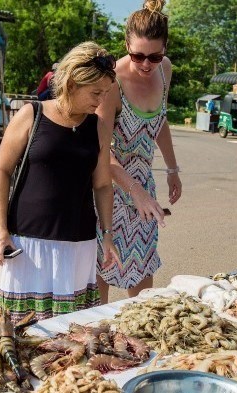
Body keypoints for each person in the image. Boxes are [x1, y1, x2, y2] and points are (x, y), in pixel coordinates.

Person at [0, 42, 120, 323]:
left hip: (77, 247)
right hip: (27, 245)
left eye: (106, 93)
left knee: (72, 335)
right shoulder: (31, 115)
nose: (101, 100)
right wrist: (0, 230)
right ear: (72, 83)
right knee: (20, 334)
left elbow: (102, 185)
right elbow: (1, 171)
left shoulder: (98, 127)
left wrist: (107, 235)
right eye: (95, 92)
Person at [95, 0, 182, 304]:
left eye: (155, 56)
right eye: (138, 56)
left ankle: (141, 341)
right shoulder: (110, 83)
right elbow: (102, 151)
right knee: (102, 271)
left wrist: (172, 169)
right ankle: (98, 339)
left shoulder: (165, 70)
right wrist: (134, 191)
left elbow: (160, 122)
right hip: (109, 186)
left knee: (143, 279)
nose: (146, 64)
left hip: (143, 182)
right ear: (126, 45)